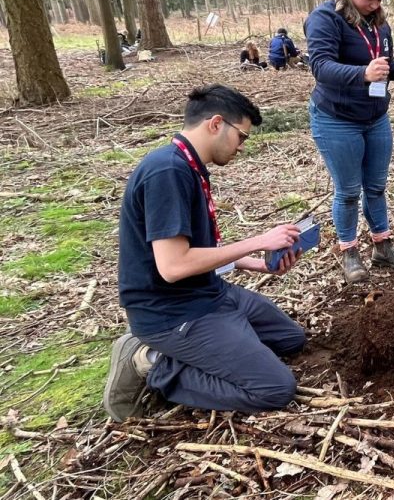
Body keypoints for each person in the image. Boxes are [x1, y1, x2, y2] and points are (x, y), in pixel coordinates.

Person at [103, 85, 308, 421]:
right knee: (275, 388)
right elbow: (172, 266)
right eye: (241, 136)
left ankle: (227, 338)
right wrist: (258, 240)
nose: (242, 146)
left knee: (290, 338)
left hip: (210, 293)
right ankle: (151, 362)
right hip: (173, 313)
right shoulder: (166, 171)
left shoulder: (189, 166)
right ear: (216, 124)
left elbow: (200, 250)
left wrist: (258, 264)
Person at [306, 0, 394, 285]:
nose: (375, 3)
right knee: (348, 190)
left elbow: (381, 63)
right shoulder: (324, 19)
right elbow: (321, 67)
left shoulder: (379, 23)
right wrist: (362, 73)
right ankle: (349, 252)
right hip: (336, 120)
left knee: (376, 186)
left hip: (375, 119)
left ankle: (382, 246)